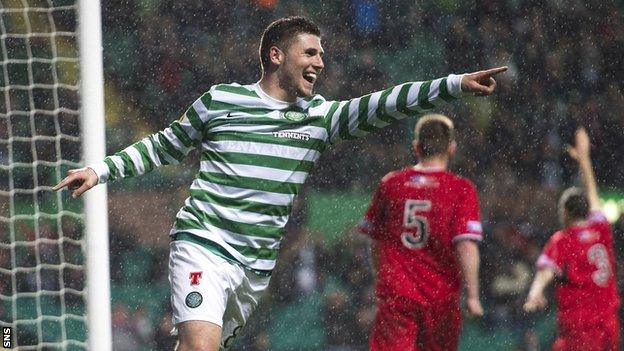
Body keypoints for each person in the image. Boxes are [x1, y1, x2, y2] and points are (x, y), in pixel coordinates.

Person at [53, 16, 505, 351]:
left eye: (322, 55)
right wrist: (102, 170)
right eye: (310, 53)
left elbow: (382, 104)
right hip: (203, 243)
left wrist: (454, 84)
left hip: (255, 266)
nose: (320, 63)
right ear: (276, 55)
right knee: (199, 343)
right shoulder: (221, 101)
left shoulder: (319, 117)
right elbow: (164, 146)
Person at [358, 113, 484, 351]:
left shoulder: (391, 184)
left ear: (416, 147)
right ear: (452, 148)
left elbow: (374, 240)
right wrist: (473, 296)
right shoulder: (460, 189)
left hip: (398, 295)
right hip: (441, 299)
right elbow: (466, 245)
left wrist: (383, 278)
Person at [524, 128, 621, 350]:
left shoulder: (563, 240)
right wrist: (584, 159)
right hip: (609, 323)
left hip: (580, 328)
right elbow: (593, 195)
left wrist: (535, 292)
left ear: (565, 212)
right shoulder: (601, 229)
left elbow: (546, 269)